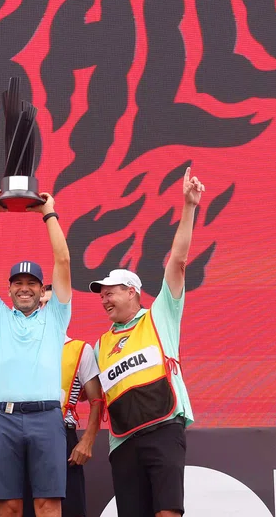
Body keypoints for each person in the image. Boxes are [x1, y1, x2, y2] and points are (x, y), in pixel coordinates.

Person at [92, 166, 204, 517]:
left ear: (133, 292)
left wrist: (188, 207)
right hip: (123, 442)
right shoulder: (100, 344)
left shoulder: (160, 315)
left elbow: (179, 263)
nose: (105, 299)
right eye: (102, 295)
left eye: (112, 292)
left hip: (163, 430)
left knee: (167, 512)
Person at [0, 191, 72, 517]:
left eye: (32, 282)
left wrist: (49, 213)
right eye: (18, 282)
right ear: (9, 288)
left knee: (47, 506)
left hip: (46, 417)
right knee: (9, 507)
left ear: (43, 289)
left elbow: (63, 261)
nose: (25, 288)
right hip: (3, 419)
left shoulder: (56, 316)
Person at [22, 329, 102, 517]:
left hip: (62, 436)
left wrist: (87, 441)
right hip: (22, 436)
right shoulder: (20, 349)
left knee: (68, 508)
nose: (43, 310)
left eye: (49, 304)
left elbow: (97, 400)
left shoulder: (80, 349)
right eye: (40, 305)